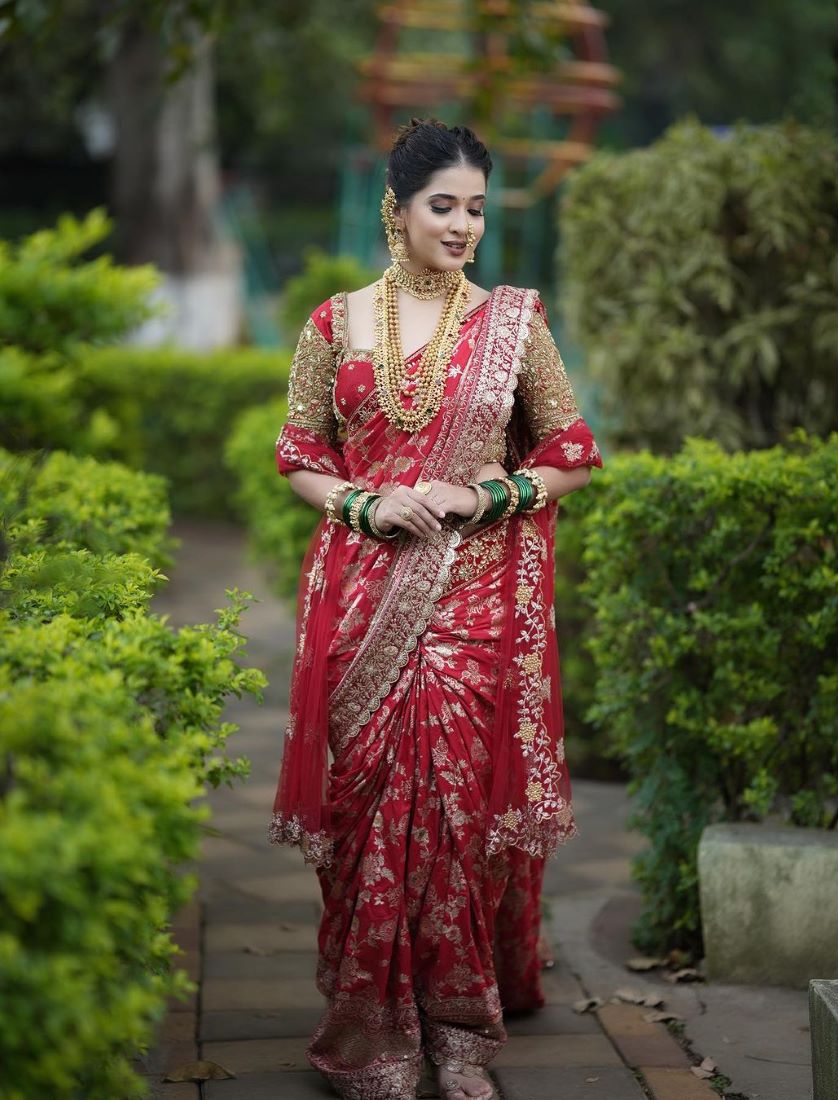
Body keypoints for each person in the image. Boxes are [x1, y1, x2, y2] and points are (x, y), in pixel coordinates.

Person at [267, 117, 603, 1100]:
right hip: (364, 596)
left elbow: (571, 450)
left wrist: (484, 494)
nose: (463, 225)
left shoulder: (514, 322)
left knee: (455, 810)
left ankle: (457, 1026)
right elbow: (298, 452)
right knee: (366, 805)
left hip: (472, 596)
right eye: (444, 206)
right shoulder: (335, 323)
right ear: (397, 210)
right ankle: (373, 1023)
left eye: (477, 209)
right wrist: (361, 499)